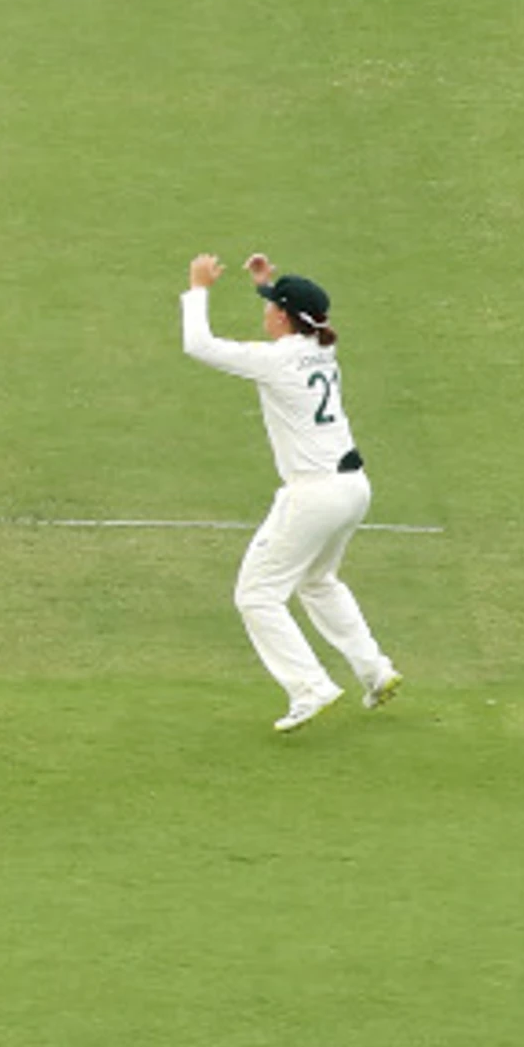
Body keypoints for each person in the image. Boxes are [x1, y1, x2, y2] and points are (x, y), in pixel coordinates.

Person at [183, 253, 403, 731]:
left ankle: (310, 687)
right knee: (319, 581)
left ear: (283, 317)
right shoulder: (322, 347)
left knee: (256, 595)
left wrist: (199, 287)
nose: (264, 313)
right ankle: (375, 670)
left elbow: (198, 345)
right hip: (353, 488)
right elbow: (299, 316)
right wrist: (266, 284)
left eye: (270, 306)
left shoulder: (275, 361)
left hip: (314, 495)